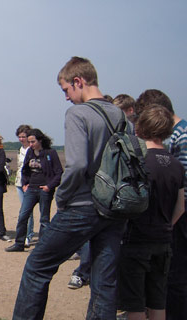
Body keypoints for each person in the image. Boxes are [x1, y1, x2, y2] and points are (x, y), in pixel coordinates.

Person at [13, 56, 129, 320]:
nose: (66, 97)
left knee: (37, 266)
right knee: (104, 279)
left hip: (83, 206)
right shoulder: (121, 116)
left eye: (66, 89)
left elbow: (77, 165)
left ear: (79, 81)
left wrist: (62, 198)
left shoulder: (78, 113)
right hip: (114, 209)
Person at [116, 105, 185, 320]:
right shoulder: (176, 164)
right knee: (158, 300)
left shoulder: (138, 161)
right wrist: (167, 226)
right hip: (164, 240)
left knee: (135, 303)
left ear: (140, 128)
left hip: (136, 239)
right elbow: (181, 206)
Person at [135, 89, 187, 320]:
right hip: (172, 218)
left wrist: (168, 222)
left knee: (176, 277)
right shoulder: (176, 134)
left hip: (178, 219)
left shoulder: (182, 135)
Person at [6, 128, 62, 252]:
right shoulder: (30, 152)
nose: (30, 144)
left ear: (40, 140)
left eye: (33, 141)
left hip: (45, 190)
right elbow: (25, 169)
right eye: (29, 142)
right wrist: (25, 183)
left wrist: (49, 186)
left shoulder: (50, 153)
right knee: (23, 215)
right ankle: (19, 243)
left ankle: (42, 247)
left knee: (44, 219)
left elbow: (59, 172)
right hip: (31, 189)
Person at [14, 124, 36, 247]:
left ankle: (28, 236)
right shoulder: (20, 150)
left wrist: (28, 183)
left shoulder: (32, 150)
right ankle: (24, 234)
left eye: (24, 136)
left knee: (27, 210)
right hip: (19, 182)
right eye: (20, 137)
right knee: (23, 210)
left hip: (29, 183)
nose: (22, 139)